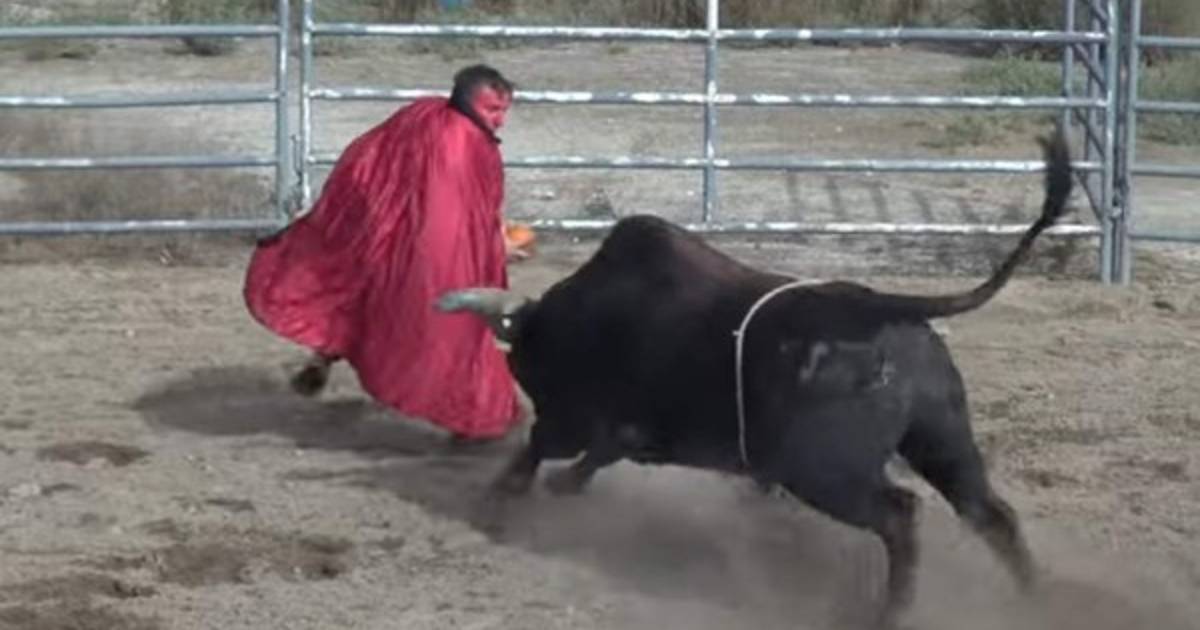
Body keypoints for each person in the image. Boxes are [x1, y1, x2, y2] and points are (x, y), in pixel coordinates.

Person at [243, 64, 529, 443]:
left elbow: (367, 158)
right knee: (445, 325)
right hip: (419, 245)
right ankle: (471, 417)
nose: (500, 121)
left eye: (504, 111)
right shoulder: (462, 145)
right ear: (467, 101)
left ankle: (324, 356)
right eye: (493, 110)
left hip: (380, 225)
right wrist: (492, 245)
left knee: (357, 290)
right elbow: (451, 221)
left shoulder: (425, 113)